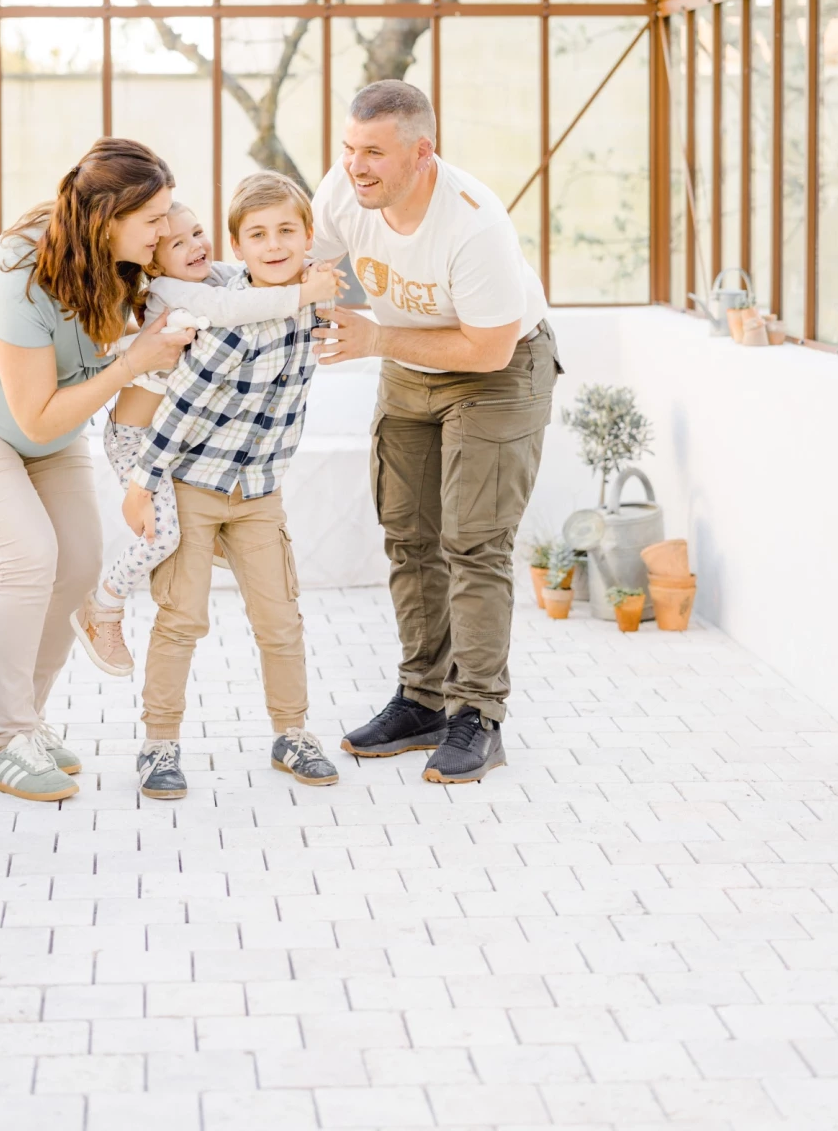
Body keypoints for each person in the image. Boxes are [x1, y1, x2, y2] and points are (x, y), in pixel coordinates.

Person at [0, 139, 197, 804]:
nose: (167, 230)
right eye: (153, 220)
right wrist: (133, 360)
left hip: (49, 422)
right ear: (107, 217)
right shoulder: (19, 268)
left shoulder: (130, 262)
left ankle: (25, 723)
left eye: (169, 215)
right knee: (31, 555)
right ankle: (4, 742)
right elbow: (35, 418)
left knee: (81, 561)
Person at [310, 81, 559, 785]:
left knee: (473, 541)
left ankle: (478, 715)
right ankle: (423, 699)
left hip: (498, 369)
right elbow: (306, 264)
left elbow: (488, 349)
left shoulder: (474, 224)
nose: (357, 167)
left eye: (375, 154)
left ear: (423, 153)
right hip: (410, 358)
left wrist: (375, 337)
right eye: (350, 149)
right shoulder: (342, 193)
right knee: (409, 534)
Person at [120, 172, 340, 802]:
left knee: (280, 619)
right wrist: (143, 485)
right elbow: (179, 411)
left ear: (306, 239)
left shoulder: (312, 298)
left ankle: (291, 732)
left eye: (286, 232)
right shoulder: (223, 317)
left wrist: (324, 283)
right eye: (258, 235)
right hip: (193, 485)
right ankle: (159, 742)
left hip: (260, 493)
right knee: (181, 617)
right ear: (236, 248)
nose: (274, 245)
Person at [71, 199, 343, 678]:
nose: (197, 246)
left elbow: (252, 277)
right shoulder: (174, 289)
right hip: (136, 440)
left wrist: (309, 270)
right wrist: (304, 293)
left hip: (161, 436)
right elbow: (233, 307)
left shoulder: (205, 277)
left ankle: (210, 542)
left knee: (187, 524)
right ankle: (102, 607)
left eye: (198, 232)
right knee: (163, 535)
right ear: (154, 263)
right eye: (178, 243)